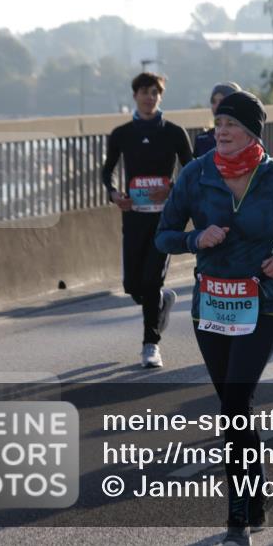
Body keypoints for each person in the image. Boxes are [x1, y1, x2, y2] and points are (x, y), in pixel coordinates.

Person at [156, 91, 273, 546]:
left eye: (232, 124)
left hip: (262, 300)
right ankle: (259, 488)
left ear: (252, 132)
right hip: (211, 305)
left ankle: (236, 520)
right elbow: (163, 237)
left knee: (234, 403)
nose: (222, 131)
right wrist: (195, 240)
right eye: (219, 123)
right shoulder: (195, 174)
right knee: (236, 409)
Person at [101, 72, 192, 368]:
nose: (149, 97)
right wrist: (115, 194)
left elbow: (191, 170)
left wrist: (171, 188)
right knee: (133, 286)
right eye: (144, 92)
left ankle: (150, 345)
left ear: (160, 96)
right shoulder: (122, 134)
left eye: (154, 92)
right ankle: (160, 303)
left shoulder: (175, 132)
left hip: (165, 220)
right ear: (135, 96)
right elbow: (108, 171)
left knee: (151, 280)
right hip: (135, 218)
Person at [194, 82, 243, 159]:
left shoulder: (247, 137)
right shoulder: (202, 139)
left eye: (221, 101)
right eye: (213, 101)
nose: (216, 106)